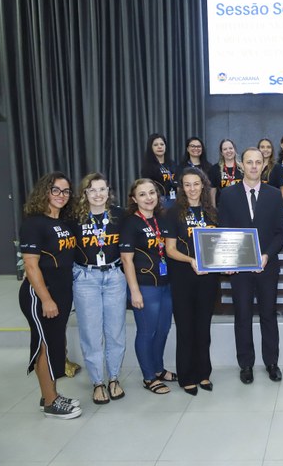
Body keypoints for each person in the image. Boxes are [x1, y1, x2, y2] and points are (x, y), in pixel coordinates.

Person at [218, 147, 283, 384]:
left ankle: (271, 363)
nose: (254, 166)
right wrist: (228, 261)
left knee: (268, 314)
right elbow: (223, 231)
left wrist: (266, 255)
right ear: (241, 165)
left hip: (267, 266)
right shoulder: (228, 195)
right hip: (240, 269)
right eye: (249, 162)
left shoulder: (274, 194)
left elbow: (280, 233)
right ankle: (246, 364)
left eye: (258, 162)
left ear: (264, 165)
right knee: (243, 315)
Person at [18, 172, 82, 419]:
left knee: (54, 344)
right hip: (40, 295)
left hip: (61, 293)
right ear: (45, 191)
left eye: (65, 191)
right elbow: (31, 266)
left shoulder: (63, 223)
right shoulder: (34, 224)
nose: (61, 195)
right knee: (44, 345)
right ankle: (50, 403)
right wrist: (45, 299)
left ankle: (50, 394)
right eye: (55, 190)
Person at [71, 172, 127, 404]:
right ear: (84, 193)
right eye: (92, 190)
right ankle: (97, 382)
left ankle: (113, 378)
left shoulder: (120, 215)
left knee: (115, 331)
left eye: (102, 189)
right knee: (91, 333)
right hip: (86, 278)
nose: (98, 194)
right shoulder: (74, 218)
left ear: (108, 191)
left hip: (114, 276)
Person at [164, 168, 220, 395]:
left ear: (203, 185)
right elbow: (169, 249)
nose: (192, 188)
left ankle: (203, 373)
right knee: (186, 328)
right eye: (187, 184)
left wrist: (227, 263)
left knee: (203, 328)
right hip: (183, 277)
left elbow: (221, 244)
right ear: (181, 188)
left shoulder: (212, 213)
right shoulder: (173, 213)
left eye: (196, 184)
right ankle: (187, 376)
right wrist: (191, 261)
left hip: (209, 279)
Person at [120, 178, 175, 395]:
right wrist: (134, 291)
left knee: (163, 329)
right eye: (142, 194)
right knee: (147, 331)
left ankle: (158, 369)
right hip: (144, 286)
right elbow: (126, 260)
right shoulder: (130, 223)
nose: (149, 198)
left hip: (165, 284)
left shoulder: (162, 218)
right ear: (134, 199)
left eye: (152, 192)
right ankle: (149, 377)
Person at [140, 133, 178, 206]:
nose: (159, 147)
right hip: (159, 201)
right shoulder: (148, 167)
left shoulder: (172, 164)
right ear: (151, 148)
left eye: (162, 144)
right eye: (156, 145)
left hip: (175, 198)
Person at [208, 138, 243, 207]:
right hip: (222, 207)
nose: (228, 151)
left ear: (234, 150)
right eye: (225, 149)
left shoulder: (243, 167)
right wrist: (213, 209)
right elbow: (212, 191)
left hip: (240, 206)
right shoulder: (215, 169)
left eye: (230, 148)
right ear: (221, 153)